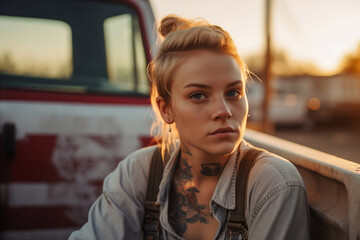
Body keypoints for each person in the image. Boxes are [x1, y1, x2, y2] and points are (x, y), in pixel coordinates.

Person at [69, 15, 310, 240]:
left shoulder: (272, 183)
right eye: (198, 95)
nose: (224, 110)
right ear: (166, 109)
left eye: (233, 92)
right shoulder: (138, 173)